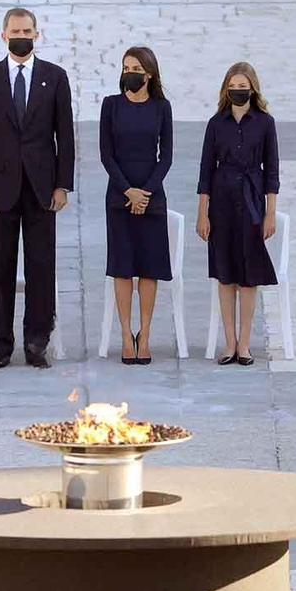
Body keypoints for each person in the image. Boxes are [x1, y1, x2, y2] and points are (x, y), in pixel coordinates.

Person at [0, 8, 75, 370]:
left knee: (41, 267)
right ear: (3, 36)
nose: (21, 36)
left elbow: (65, 136)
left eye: (27, 31)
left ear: (36, 35)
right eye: (15, 31)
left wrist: (62, 185)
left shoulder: (55, 77)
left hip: (42, 189)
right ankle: (2, 345)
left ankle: (36, 342)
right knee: (0, 268)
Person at [196, 62, 280, 367]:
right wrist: (202, 213)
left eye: (243, 87)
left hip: (252, 200)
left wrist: (270, 213)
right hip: (222, 201)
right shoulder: (215, 123)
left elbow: (272, 171)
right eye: (233, 86)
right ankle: (229, 342)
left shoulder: (266, 123)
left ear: (252, 89)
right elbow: (205, 170)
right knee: (225, 273)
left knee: (248, 275)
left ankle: (245, 343)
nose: (237, 91)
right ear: (225, 89)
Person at [100, 47, 174, 365]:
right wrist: (128, 191)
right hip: (119, 197)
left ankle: (144, 335)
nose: (129, 73)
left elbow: (166, 156)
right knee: (122, 268)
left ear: (149, 74)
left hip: (151, 197)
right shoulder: (111, 105)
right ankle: (125, 334)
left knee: (147, 268)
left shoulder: (161, 107)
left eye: (135, 69)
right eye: (125, 67)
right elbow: (106, 155)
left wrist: (145, 193)